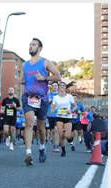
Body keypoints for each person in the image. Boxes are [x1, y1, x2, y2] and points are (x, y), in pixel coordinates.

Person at [20, 38, 61, 166]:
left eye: (34, 45)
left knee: (41, 128)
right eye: (30, 44)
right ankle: (28, 153)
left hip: (42, 99)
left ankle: (42, 147)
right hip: (28, 97)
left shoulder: (45, 63)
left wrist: (44, 78)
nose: (31, 46)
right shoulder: (24, 65)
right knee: (28, 123)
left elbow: (58, 76)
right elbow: (22, 79)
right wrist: (20, 82)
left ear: (40, 48)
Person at [51, 82, 75, 157]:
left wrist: (71, 110)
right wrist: (53, 109)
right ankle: (63, 150)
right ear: (58, 87)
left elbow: (75, 106)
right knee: (61, 135)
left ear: (65, 88)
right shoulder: (55, 97)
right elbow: (53, 107)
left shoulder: (69, 96)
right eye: (60, 86)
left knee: (67, 136)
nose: (61, 87)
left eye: (63, 85)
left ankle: (70, 138)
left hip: (68, 117)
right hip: (59, 117)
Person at [47, 82, 60, 152]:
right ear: (52, 87)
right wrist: (52, 99)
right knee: (52, 130)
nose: (55, 87)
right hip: (50, 114)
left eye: (56, 85)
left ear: (58, 87)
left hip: (58, 115)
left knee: (56, 129)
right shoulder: (49, 94)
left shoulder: (60, 95)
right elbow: (47, 103)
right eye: (53, 86)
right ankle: (54, 141)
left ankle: (56, 146)